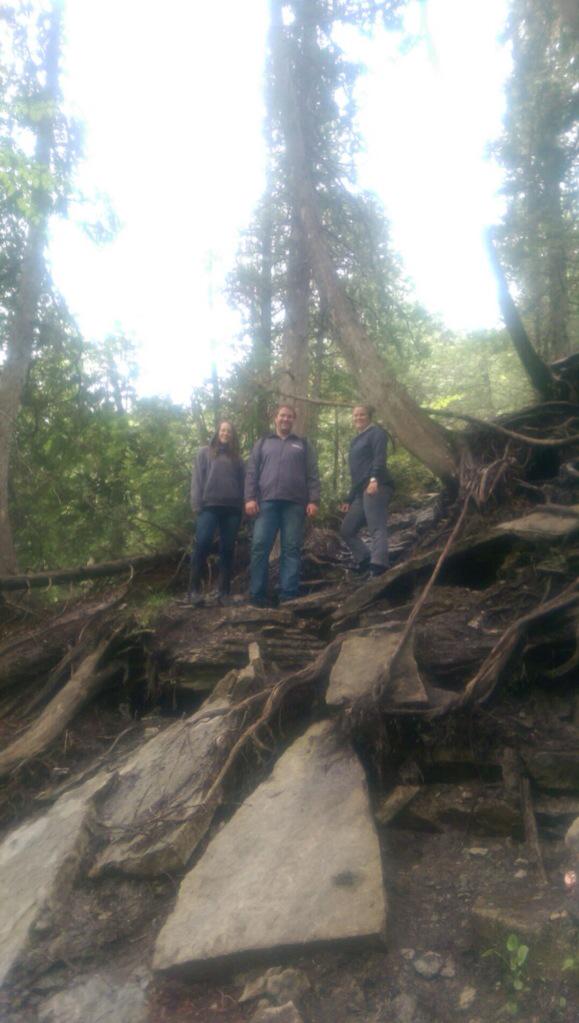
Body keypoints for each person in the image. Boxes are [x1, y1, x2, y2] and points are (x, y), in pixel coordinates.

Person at [245, 405, 320, 606]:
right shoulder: (263, 443)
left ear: (293, 420)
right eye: (282, 416)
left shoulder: (303, 444)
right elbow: (252, 473)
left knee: (291, 548)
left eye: (289, 416)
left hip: (295, 504)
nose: (285, 419)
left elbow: (312, 473)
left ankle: (288, 594)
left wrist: (313, 500)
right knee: (260, 547)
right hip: (266, 503)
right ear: (275, 418)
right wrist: (250, 498)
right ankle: (257, 595)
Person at [189, 421, 245, 606]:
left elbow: (243, 483)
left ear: (232, 435)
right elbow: (197, 479)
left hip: (232, 509)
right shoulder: (204, 452)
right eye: (223, 430)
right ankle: (194, 591)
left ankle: (224, 593)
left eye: (229, 431)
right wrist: (196, 504)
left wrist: (243, 506)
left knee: (227, 549)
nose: (225, 433)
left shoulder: (237, 458)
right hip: (209, 506)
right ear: (217, 432)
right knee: (202, 544)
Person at [340, 404, 394, 577]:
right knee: (347, 529)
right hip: (360, 490)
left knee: (376, 526)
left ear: (369, 416)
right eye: (355, 415)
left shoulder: (377, 433)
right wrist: (349, 499)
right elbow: (356, 473)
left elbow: (379, 458)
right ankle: (364, 560)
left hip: (376, 485)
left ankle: (379, 566)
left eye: (362, 414)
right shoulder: (356, 439)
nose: (358, 418)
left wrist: (374, 479)